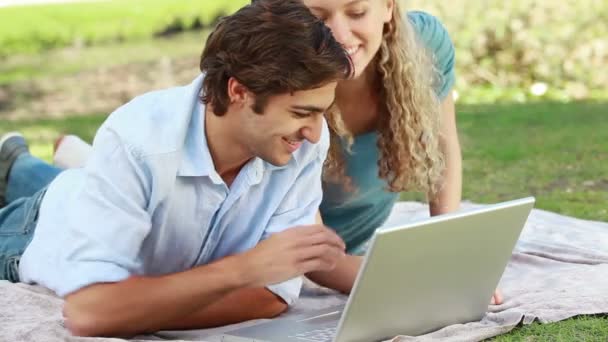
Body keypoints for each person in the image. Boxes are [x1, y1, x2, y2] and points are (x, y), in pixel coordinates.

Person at [54, 0, 504, 305]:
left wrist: (454, 257)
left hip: (336, 244)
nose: (340, 33)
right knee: (70, 201)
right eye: (318, 14)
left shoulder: (424, 46)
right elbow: (313, 258)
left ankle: (71, 157)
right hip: (274, 237)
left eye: (358, 10)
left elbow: (443, 148)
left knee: (91, 185)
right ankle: (42, 165)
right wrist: (424, 287)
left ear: (388, 8)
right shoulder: (280, 73)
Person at [0, 0, 354, 337]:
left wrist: (139, 308)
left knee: (69, 179)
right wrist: (242, 271)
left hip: (98, 197)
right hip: (31, 233)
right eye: (301, 113)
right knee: (59, 192)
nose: (313, 133)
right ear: (238, 92)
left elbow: (271, 297)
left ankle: (15, 160)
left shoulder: (299, 141)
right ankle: (15, 164)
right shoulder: (136, 141)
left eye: (321, 111)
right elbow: (91, 312)